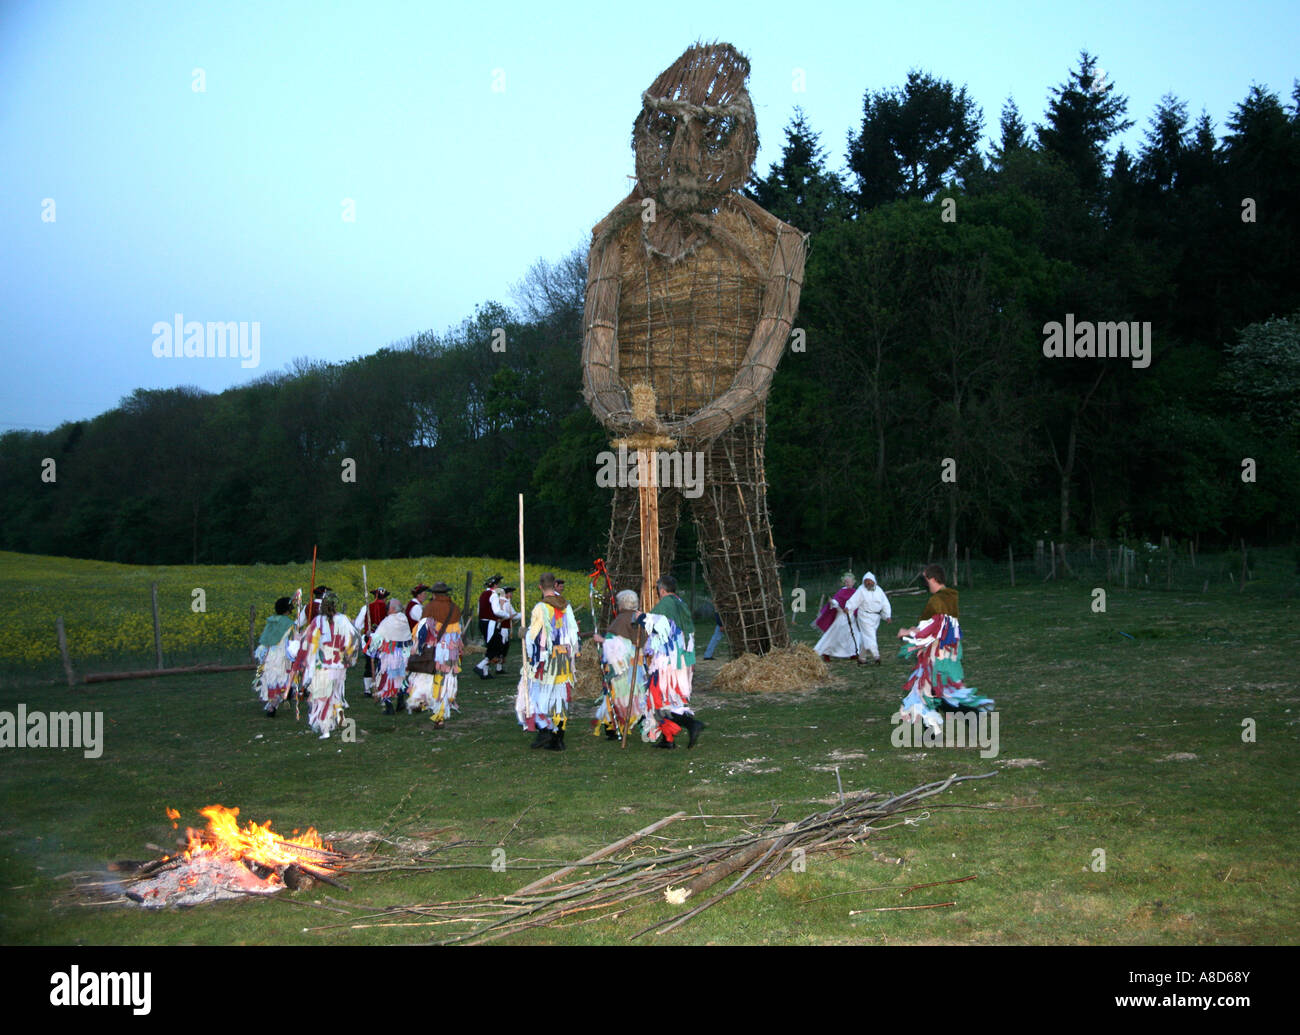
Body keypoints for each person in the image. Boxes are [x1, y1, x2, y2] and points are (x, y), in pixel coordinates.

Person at [895, 564, 992, 733]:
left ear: (932, 578)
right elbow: (938, 626)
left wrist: (908, 633)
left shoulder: (937, 600)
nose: (925, 583)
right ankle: (967, 717)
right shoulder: (951, 596)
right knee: (940, 689)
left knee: (929, 690)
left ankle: (941, 728)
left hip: (937, 653)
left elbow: (932, 629)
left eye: (926, 579)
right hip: (950, 651)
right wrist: (915, 630)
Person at [515, 572, 581, 750]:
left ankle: (544, 730)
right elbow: (573, 633)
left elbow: (535, 636)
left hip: (546, 660)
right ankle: (557, 738)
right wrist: (574, 652)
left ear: (540, 587)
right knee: (559, 698)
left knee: (537, 695)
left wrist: (524, 634)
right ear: (555, 585)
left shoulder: (541, 608)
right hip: (563, 659)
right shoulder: (566, 606)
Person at [642, 574, 703, 748]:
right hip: (682, 660)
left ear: (661, 590)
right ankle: (668, 739)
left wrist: (640, 618)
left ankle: (692, 724)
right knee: (671, 699)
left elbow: (658, 628)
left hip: (668, 662)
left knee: (656, 698)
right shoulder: (680, 603)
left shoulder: (666, 604)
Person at [292, 590, 360, 739]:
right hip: (339, 665)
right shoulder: (343, 620)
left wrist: (300, 647)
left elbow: (309, 642)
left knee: (322, 697)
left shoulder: (318, 622)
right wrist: (348, 657)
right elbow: (353, 639)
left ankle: (325, 730)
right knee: (335, 693)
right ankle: (341, 718)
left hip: (323, 666)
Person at [591, 589, 648, 741]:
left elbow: (621, 645)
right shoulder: (639, 618)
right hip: (637, 666)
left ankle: (613, 728)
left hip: (622, 669)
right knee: (636, 696)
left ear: (622, 604)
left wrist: (602, 641)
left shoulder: (622, 620)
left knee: (617, 697)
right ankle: (640, 725)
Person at [407, 582, 464, 727]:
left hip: (434, 651)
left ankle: (425, 704)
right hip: (451, 652)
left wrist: (417, 647)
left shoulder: (430, 607)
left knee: (429, 680)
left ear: (434, 594)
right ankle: (441, 715)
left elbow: (421, 631)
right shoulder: (454, 608)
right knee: (445, 682)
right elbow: (458, 632)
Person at [367, 599, 413, 714]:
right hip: (403, 655)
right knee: (399, 678)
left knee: (385, 679)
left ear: (392, 609)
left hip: (390, 656)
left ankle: (388, 706)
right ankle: (401, 701)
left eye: (388, 608)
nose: (387, 610)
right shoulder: (404, 619)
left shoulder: (388, 621)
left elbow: (377, 637)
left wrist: (370, 635)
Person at [254, 596, 295, 717]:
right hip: (281, 655)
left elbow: (265, 639)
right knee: (283, 679)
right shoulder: (288, 624)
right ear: (288, 609)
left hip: (267, 654)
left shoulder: (271, 621)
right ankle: (274, 705)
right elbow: (291, 641)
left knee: (272, 680)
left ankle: (272, 705)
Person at [812, 572, 860, 662]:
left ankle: (853, 653)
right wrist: (833, 603)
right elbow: (836, 601)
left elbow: (857, 603)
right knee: (835, 634)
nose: (848, 583)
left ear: (853, 582)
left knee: (853, 634)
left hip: (851, 616)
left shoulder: (855, 592)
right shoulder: (842, 591)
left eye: (849, 582)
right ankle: (826, 651)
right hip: (842, 617)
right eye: (846, 582)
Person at [846, 571, 892, 664]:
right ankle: (876, 656)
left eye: (870, 581)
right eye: (866, 581)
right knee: (870, 636)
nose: (868, 583)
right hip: (864, 616)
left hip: (876, 618)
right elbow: (854, 600)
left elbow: (885, 603)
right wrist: (848, 607)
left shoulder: (879, 590)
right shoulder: (861, 590)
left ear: (874, 581)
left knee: (866, 637)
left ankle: (862, 658)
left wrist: (887, 615)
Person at [354, 587, 392, 696]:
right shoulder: (388, 608)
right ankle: (380, 687)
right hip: (384, 639)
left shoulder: (366, 608)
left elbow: (357, 624)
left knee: (369, 664)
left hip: (370, 638)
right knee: (382, 663)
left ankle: (367, 689)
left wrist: (366, 630)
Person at [474, 574, 510, 679]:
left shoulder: (483, 594)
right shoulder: (493, 595)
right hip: (489, 623)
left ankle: (485, 673)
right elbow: (497, 611)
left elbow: (479, 610)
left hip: (483, 622)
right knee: (496, 646)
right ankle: (480, 666)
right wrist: (506, 615)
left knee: (491, 646)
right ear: (495, 585)